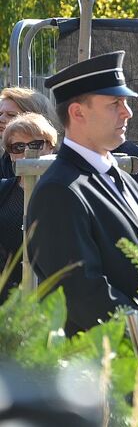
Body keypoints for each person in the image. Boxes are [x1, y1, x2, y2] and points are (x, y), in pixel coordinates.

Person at [26, 51, 138, 335]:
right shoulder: (59, 190)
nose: (127, 112)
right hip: (103, 355)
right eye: (115, 103)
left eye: (126, 103)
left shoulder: (125, 181)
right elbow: (83, 294)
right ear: (77, 112)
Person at [0, 113, 57, 300]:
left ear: (50, 147)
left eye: (35, 145)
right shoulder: (3, 191)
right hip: (7, 301)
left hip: (52, 300)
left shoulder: (67, 193)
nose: (26, 153)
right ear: (10, 154)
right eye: (18, 147)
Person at [0, 87, 57, 179]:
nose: (1, 119)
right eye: (17, 147)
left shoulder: (59, 162)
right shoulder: (6, 159)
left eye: (11, 115)